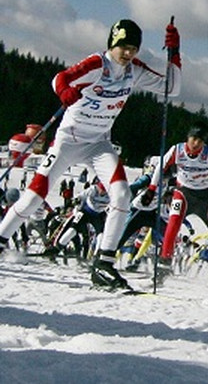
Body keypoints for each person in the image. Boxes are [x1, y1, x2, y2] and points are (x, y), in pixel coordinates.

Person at [0, 18, 181, 290]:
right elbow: (60, 78)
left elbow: (172, 88)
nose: (129, 54)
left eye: (134, 48)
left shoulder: (134, 71)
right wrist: (65, 91)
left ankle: (104, 263)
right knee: (33, 198)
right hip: (69, 141)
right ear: (112, 43)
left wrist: (175, 52)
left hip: (99, 144)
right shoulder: (98, 64)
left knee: (122, 194)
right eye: (124, 47)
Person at [142, 122, 208, 281]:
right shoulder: (177, 150)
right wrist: (152, 189)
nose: (196, 144)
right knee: (172, 225)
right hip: (183, 194)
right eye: (193, 139)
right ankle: (165, 262)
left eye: (200, 141)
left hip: (204, 199)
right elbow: (161, 166)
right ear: (188, 137)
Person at [46, 178, 111, 264]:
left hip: (98, 215)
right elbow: (80, 195)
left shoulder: (110, 194)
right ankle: (57, 248)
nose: (101, 192)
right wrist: (76, 200)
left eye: (103, 191)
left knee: (101, 235)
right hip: (86, 212)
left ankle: (96, 257)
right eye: (100, 189)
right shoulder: (92, 189)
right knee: (72, 230)